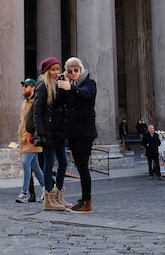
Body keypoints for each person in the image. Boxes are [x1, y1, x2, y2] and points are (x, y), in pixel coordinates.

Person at [59, 57, 97, 214]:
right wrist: (63, 86)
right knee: (80, 167)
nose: (73, 72)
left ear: (81, 70)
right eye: (70, 71)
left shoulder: (89, 83)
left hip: (85, 133)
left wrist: (71, 88)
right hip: (74, 133)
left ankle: (87, 202)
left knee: (83, 167)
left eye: (76, 70)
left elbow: (86, 94)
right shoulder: (71, 86)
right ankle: (84, 199)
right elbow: (60, 102)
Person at [33, 57, 70, 211]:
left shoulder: (57, 84)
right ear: (47, 71)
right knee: (49, 164)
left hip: (59, 131)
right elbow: (37, 112)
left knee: (63, 163)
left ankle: (58, 196)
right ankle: (48, 198)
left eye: (57, 69)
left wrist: (65, 89)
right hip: (48, 133)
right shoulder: (42, 85)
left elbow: (61, 106)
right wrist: (42, 133)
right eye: (53, 69)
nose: (56, 72)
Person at [17, 78, 45, 203]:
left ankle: (24, 192)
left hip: (32, 139)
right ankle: (48, 190)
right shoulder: (24, 102)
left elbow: (38, 120)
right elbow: (22, 121)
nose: (24, 88)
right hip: (24, 139)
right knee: (36, 168)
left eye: (26, 86)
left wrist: (34, 134)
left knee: (26, 163)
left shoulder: (37, 102)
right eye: (23, 86)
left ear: (33, 88)